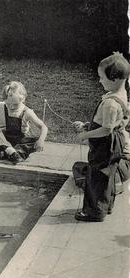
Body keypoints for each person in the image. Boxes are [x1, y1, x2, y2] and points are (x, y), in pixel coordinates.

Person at [73, 52, 130, 222]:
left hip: (105, 144)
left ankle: (94, 211)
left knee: (97, 175)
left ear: (115, 80)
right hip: (114, 141)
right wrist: (87, 125)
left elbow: (106, 129)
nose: (99, 81)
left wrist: (85, 134)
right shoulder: (121, 94)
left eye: (102, 78)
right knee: (107, 174)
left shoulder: (110, 103)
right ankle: (107, 205)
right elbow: (114, 122)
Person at [0, 81, 47, 164]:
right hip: (3, 139)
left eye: (15, 105)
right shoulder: (1, 106)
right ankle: (12, 151)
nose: (11, 107)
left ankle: (8, 152)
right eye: (8, 104)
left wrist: (41, 140)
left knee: (36, 141)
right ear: (5, 100)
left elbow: (43, 127)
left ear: (23, 99)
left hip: (19, 141)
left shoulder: (27, 112)